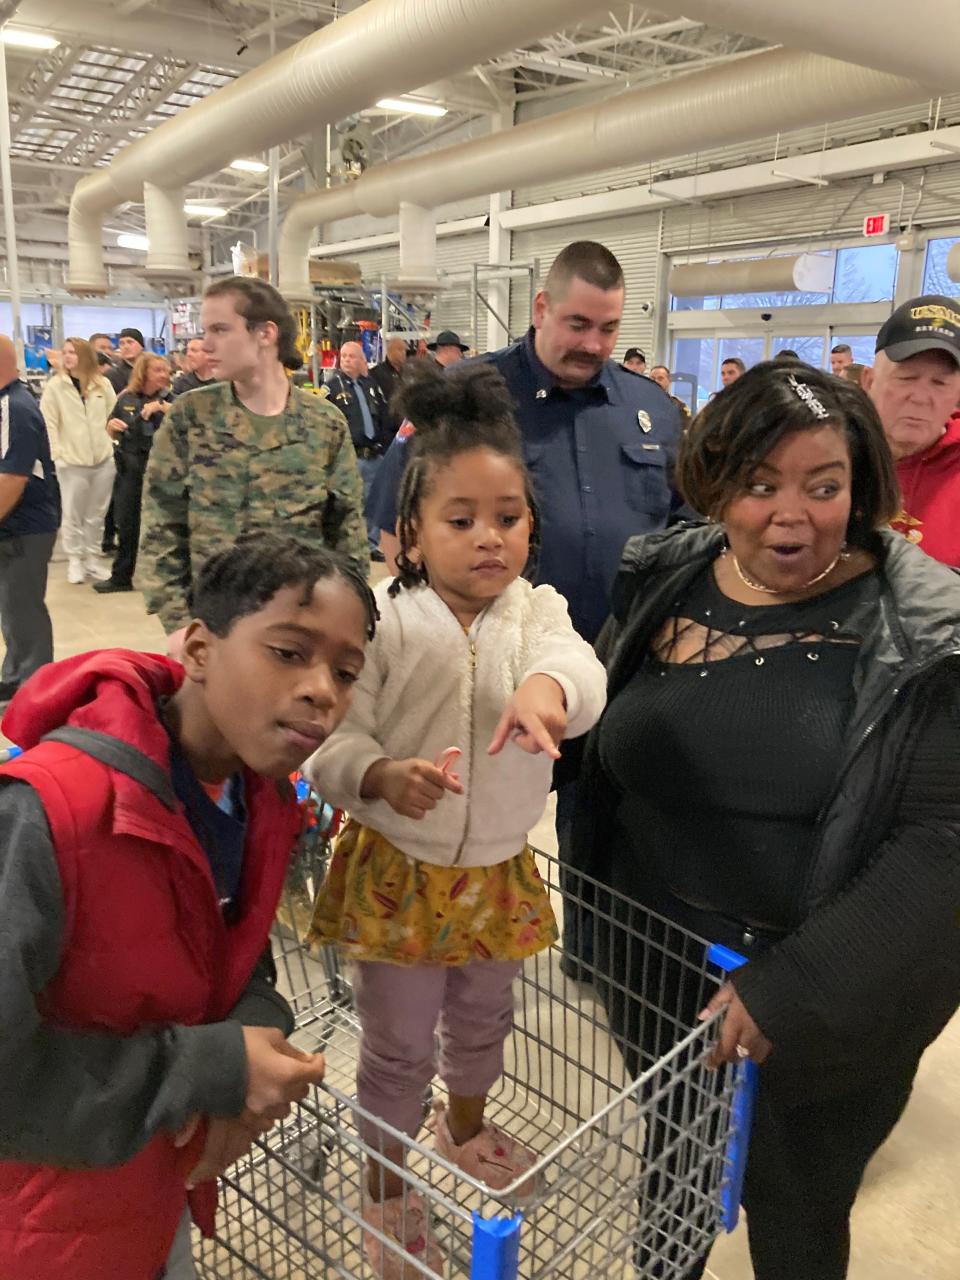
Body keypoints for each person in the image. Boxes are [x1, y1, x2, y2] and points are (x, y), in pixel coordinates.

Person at [570, 359, 960, 1280]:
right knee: (673, 1162)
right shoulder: (664, 577)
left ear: (860, 485)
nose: (792, 515)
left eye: (824, 487)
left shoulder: (926, 633)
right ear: (716, 486)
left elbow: (943, 842)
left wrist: (788, 987)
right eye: (759, 485)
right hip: (655, 967)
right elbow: (600, 736)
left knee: (797, 1206)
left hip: (826, 1009)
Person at [0, 532, 376, 1280]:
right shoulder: (48, 815)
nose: (322, 691)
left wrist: (253, 1048)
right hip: (41, 1225)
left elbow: (238, 959)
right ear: (199, 649)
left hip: (148, 1194)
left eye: (345, 671)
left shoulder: (260, 797)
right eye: (288, 652)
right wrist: (206, 1069)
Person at [304, 362, 606, 1278]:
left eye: (508, 519)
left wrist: (549, 693)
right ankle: (385, 1184)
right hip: (399, 872)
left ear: (531, 525)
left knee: (486, 1021)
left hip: (499, 869)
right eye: (460, 520)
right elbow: (328, 741)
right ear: (410, 532)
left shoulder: (537, 611)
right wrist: (379, 776)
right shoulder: (386, 626)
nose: (489, 540)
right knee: (396, 1046)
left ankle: (465, 1126)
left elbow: (579, 668)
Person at [368, 241, 683, 975]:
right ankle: (445, 953)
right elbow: (396, 526)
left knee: (606, 820)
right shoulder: (467, 398)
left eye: (606, 329)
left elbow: (684, 525)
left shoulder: (651, 410)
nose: (593, 345)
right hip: (494, 668)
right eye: (577, 324)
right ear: (541, 307)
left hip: (624, 664)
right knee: (474, 815)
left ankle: (595, 959)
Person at [139, 276, 369, 652]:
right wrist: (179, 625)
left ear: (265, 333)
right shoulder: (191, 417)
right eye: (204, 331)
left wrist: (351, 617)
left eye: (220, 329)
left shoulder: (323, 423)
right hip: (214, 627)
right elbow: (161, 523)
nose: (205, 344)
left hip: (301, 625)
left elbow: (347, 530)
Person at [862, 294, 960, 568]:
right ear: (868, 382)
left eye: (940, 383)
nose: (920, 397)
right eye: (906, 378)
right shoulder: (832, 456)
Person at [0, 336, 59, 706]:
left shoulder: (14, 407)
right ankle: (14, 676)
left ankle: (34, 692)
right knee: (12, 609)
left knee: (24, 610)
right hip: (16, 526)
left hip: (24, 527)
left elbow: (12, 478)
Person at [94, 353, 173, 595]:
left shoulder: (173, 399)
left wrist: (162, 407)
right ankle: (121, 576)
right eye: (157, 370)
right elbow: (111, 426)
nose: (164, 375)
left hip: (163, 470)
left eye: (165, 370)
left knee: (165, 526)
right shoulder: (126, 399)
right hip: (130, 467)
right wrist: (112, 428)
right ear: (144, 372)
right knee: (127, 522)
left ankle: (167, 578)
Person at [39, 337, 116, 585]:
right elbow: (49, 423)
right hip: (71, 461)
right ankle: (75, 559)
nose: (68, 356)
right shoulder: (55, 386)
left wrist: (112, 446)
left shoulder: (102, 384)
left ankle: (92, 558)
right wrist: (57, 455)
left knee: (97, 513)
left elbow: (112, 417)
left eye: (73, 352)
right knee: (73, 514)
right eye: (65, 352)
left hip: (103, 459)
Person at [323, 341, 391, 561]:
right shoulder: (332, 388)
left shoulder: (370, 385)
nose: (347, 360)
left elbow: (383, 415)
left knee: (374, 502)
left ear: (363, 360)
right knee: (348, 502)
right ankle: (347, 547)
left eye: (352, 356)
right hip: (350, 456)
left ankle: (370, 544)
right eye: (343, 357)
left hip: (374, 455)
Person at [369, 337, 408, 435]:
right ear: (390, 351)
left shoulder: (409, 373)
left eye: (404, 350)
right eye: (399, 350)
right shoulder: (376, 373)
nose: (403, 353)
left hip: (407, 425)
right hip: (387, 428)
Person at [105, 327, 146, 394]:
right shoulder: (112, 375)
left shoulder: (151, 370)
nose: (126, 347)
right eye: (122, 343)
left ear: (141, 346)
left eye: (130, 342)